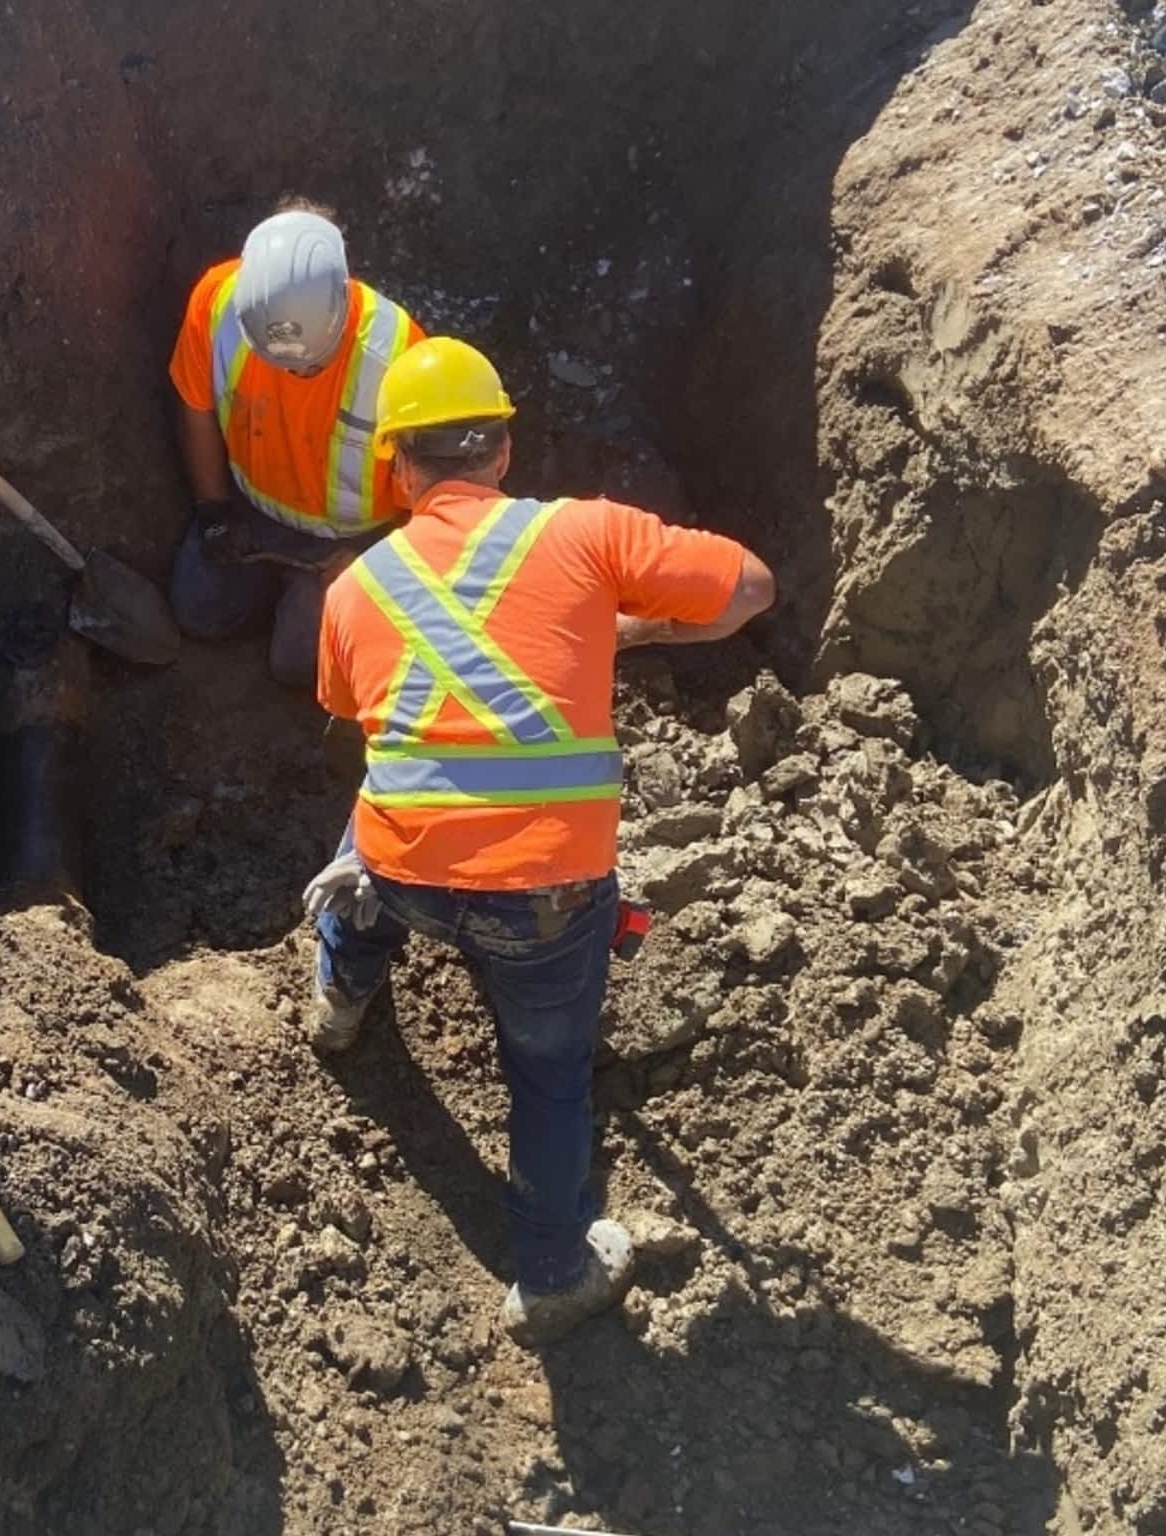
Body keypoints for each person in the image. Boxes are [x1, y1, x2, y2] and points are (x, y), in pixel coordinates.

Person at [302, 337, 776, 1344]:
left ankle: (340, 996)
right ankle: (552, 1273)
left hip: (404, 878)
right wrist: (626, 631)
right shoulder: (589, 537)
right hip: (547, 903)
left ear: (393, 468)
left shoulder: (352, 591)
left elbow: (353, 709)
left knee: (370, 810)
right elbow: (747, 591)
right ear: (503, 451)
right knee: (548, 1077)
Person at [167, 201, 424, 686]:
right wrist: (213, 511)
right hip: (253, 512)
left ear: (343, 306)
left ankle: (305, 605)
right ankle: (283, 591)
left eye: (309, 366)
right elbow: (196, 407)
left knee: (297, 665)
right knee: (198, 610)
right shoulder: (219, 304)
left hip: (353, 542)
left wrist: (378, 565)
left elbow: (435, 498)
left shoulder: (399, 359)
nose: (293, 374)